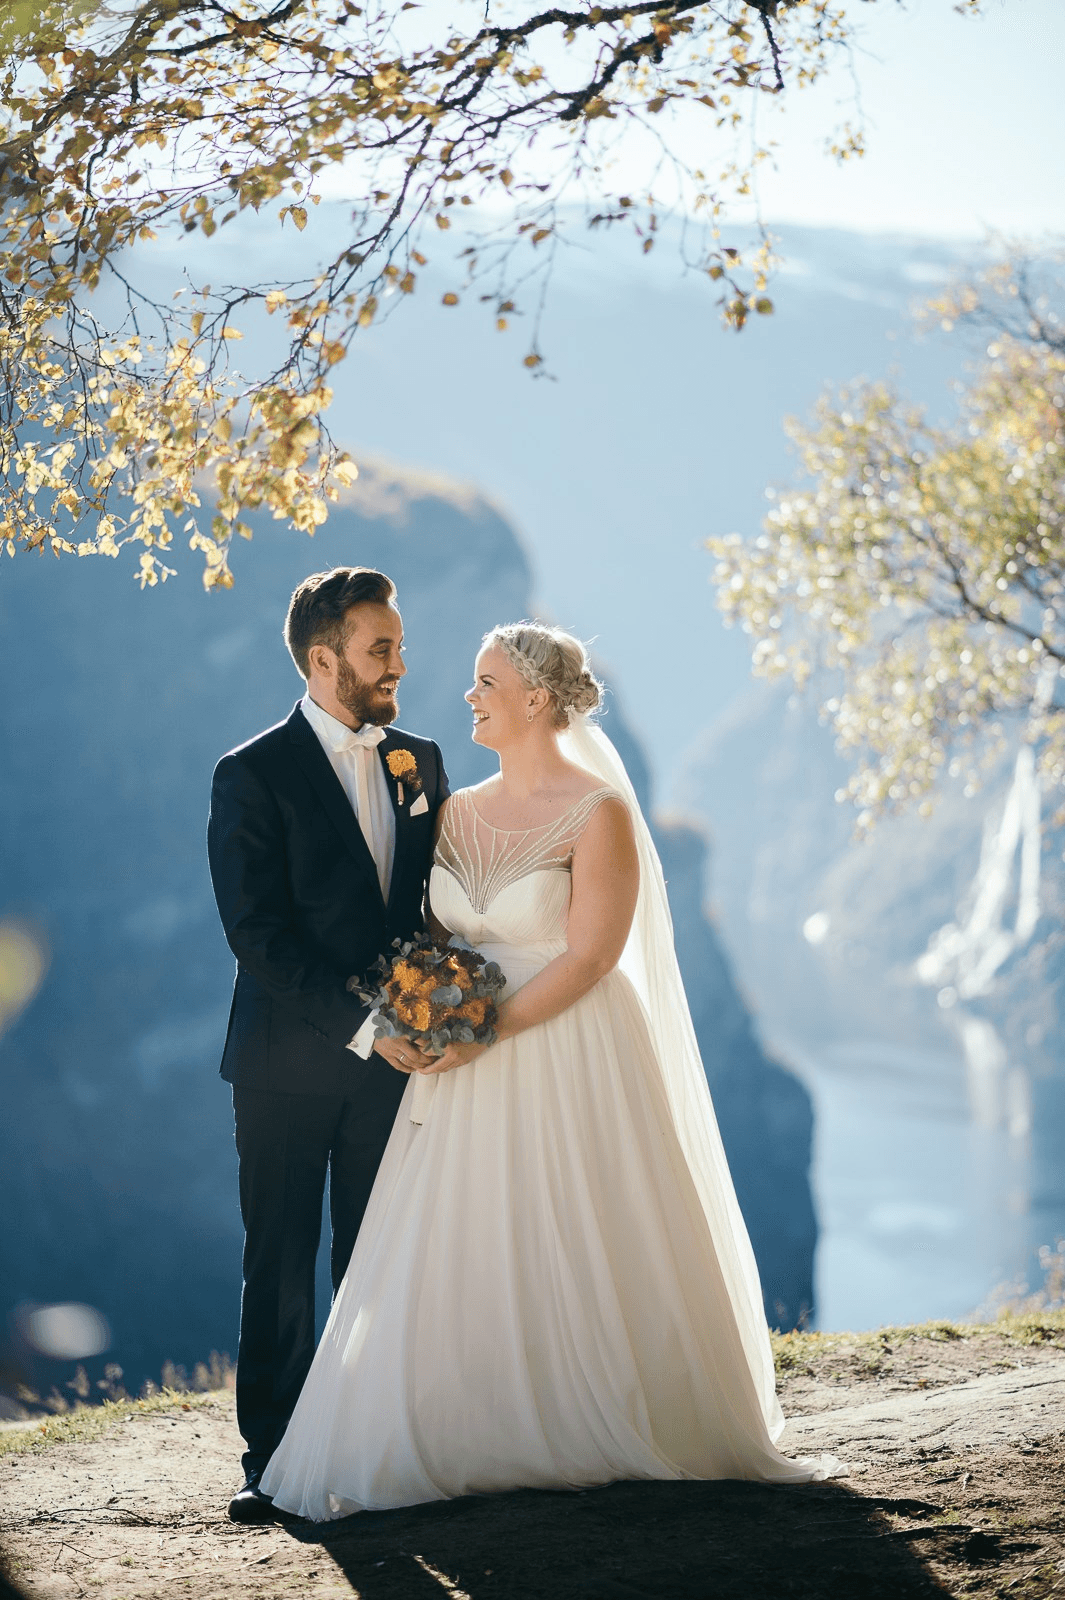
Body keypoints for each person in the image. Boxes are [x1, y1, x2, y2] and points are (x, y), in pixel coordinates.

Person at [260, 620, 831, 1520]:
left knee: (577, 1218)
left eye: (485, 682)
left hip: (566, 1039)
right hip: (462, 1052)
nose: (468, 695)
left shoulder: (597, 812)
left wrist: (485, 1030)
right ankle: (477, 1419)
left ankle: (590, 1411)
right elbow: (436, 934)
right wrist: (429, 1003)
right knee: (471, 1229)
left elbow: (594, 954)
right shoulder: (451, 807)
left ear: (534, 700)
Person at [207, 567, 448, 1523]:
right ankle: (271, 1463)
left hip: (396, 1065)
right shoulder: (250, 772)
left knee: (376, 1258)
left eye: (396, 643)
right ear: (323, 659)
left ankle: (372, 1447)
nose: (399, 663)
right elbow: (255, 933)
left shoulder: (419, 761)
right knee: (279, 1259)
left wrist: (439, 1005)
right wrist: (365, 1026)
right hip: (284, 1067)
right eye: (379, 647)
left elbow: (430, 904)